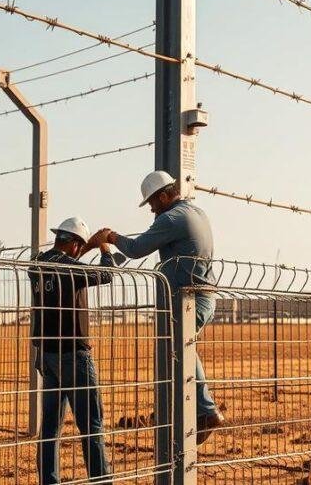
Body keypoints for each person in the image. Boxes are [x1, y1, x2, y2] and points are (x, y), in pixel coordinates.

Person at [88, 170, 224, 444]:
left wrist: (110, 236)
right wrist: (111, 253)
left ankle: (206, 412)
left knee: (181, 348)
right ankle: (197, 411)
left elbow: (137, 249)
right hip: (203, 295)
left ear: (164, 196)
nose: (150, 208)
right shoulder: (193, 213)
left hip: (191, 300)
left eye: (151, 202)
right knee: (183, 349)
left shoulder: (170, 218)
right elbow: (139, 250)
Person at [29, 216, 119, 484]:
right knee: (91, 427)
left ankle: (50, 480)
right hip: (73, 354)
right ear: (75, 246)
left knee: (50, 429)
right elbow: (106, 275)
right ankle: (101, 481)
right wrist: (104, 248)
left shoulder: (36, 263)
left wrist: (86, 246)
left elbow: (69, 262)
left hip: (46, 354)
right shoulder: (70, 268)